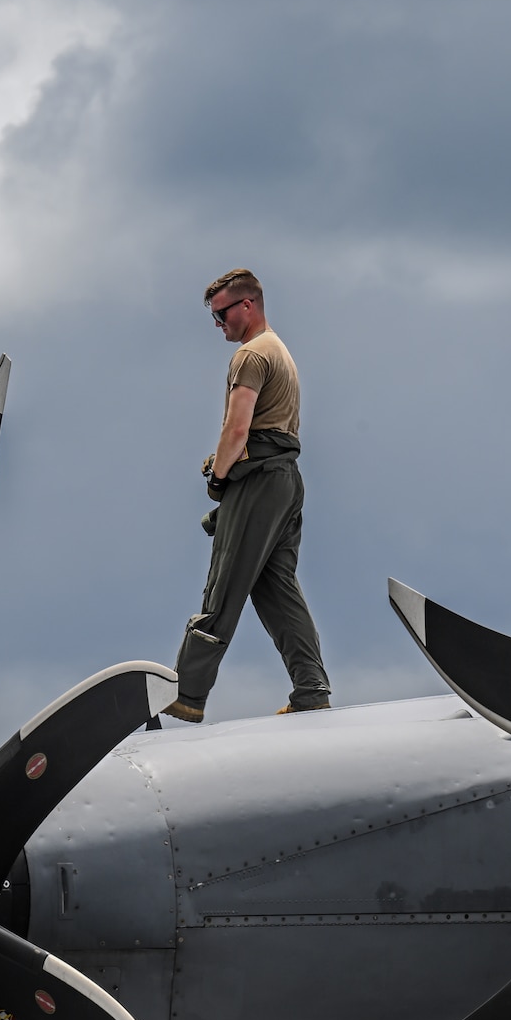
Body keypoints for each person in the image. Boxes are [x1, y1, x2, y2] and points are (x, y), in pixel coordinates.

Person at [162, 269, 332, 723]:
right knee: (277, 588)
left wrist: (218, 478)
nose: (218, 324)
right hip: (285, 482)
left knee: (225, 582)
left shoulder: (251, 356)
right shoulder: (280, 352)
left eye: (221, 314)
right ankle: (311, 689)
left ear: (247, 306)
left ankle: (186, 695)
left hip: (257, 484)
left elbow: (237, 431)